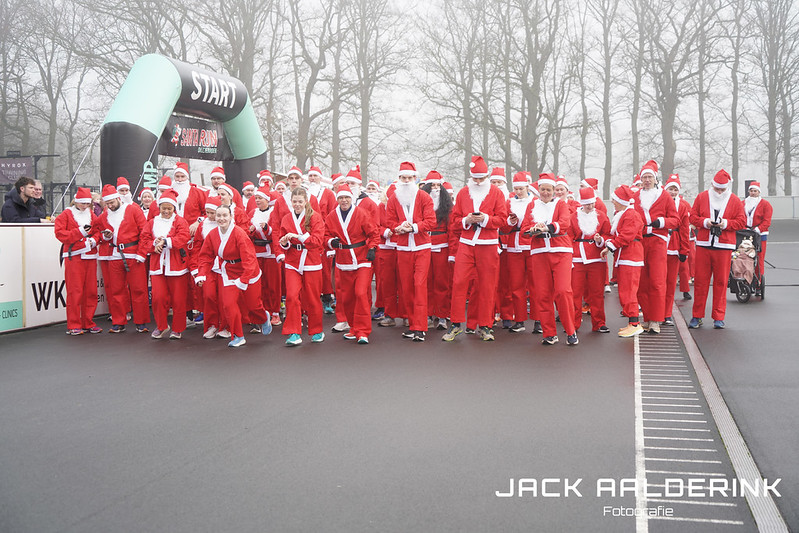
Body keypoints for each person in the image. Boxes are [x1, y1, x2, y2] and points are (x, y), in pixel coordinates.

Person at [443, 156, 508, 342]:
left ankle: (485, 326)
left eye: (481, 178)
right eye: (475, 178)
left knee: (487, 286)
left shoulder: (496, 193)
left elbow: (502, 220)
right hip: (466, 243)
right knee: (459, 282)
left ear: (487, 176)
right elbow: (454, 221)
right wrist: (467, 220)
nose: (478, 182)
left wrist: (485, 219)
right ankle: (455, 324)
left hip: (488, 245)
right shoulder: (464, 193)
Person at [196, 204, 271, 347]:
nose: (221, 218)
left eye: (225, 215)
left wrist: (244, 279)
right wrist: (201, 274)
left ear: (231, 217)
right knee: (228, 304)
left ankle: (263, 317)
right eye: (219, 215)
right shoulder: (212, 235)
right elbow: (205, 256)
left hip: (248, 272)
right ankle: (237, 335)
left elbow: (249, 259)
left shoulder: (239, 234)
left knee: (253, 306)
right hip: (228, 271)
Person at [521, 173, 578, 346]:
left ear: (554, 191)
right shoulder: (532, 205)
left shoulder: (560, 204)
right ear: (538, 190)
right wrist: (533, 229)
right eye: (543, 189)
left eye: (549, 189)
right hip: (539, 252)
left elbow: (565, 223)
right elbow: (524, 229)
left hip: (561, 251)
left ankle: (570, 330)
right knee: (542, 294)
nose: (545, 192)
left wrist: (547, 227)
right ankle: (549, 333)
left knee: (562, 291)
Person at [688, 169, 746, 329]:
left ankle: (718, 317)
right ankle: (697, 316)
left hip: (724, 246)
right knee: (700, 282)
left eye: (722, 189)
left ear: (727, 187)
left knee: (720, 282)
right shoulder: (702, 197)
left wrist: (725, 224)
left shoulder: (734, 200)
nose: (719, 192)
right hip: (704, 245)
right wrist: (706, 222)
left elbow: (741, 222)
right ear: (712, 185)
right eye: (717, 189)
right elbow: (692, 217)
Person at [386, 161, 436, 341]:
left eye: (410, 177)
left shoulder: (424, 197)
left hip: (422, 247)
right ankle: (412, 323)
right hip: (403, 248)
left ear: (415, 178)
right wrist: (398, 227)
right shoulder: (394, 198)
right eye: (403, 178)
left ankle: (420, 327)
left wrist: (413, 227)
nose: (406, 181)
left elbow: (431, 221)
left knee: (419, 285)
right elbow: (389, 220)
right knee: (406, 287)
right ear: (399, 179)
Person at [325, 184, 379, 344]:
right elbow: (325, 234)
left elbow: (374, 233)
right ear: (337, 199)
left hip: (362, 259)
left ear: (352, 198)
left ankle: (363, 331)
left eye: (347, 197)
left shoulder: (361, 213)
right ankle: (354, 327)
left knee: (361, 293)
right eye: (341, 198)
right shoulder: (331, 216)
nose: (344, 200)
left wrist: (372, 248)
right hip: (343, 260)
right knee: (346, 297)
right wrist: (330, 241)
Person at [93, 184, 150, 333]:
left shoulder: (133, 209)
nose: (110, 206)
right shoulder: (104, 215)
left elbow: (145, 232)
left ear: (118, 198)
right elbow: (95, 229)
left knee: (139, 289)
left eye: (112, 202)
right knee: (116, 290)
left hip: (134, 254)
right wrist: (104, 237)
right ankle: (118, 321)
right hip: (114, 255)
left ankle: (141, 322)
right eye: (107, 203)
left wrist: (141, 253)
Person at [632, 160, 678, 334]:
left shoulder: (664, 196)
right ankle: (647, 317)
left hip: (658, 240)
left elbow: (675, 220)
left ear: (655, 178)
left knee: (658, 280)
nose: (647, 180)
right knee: (642, 281)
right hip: (640, 241)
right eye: (644, 177)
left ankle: (656, 320)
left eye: (650, 177)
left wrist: (662, 222)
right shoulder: (635, 197)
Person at [140, 190, 190, 339]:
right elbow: (144, 240)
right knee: (158, 298)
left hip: (177, 266)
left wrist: (166, 242)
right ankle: (161, 325)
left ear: (174, 208)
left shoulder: (180, 221)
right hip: (157, 266)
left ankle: (177, 328)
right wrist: (153, 244)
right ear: (159, 207)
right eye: (164, 208)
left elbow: (184, 237)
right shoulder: (152, 222)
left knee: (178, 299)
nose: (167, 211)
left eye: (170, 208)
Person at [279, 187, 326, 346]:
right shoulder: (286, 218)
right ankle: (294, 332)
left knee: (312, 298)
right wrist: (284, 243)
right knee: (291, 296)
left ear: (306, 201)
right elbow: (282, 240)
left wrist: (298, 236)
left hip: (311, 261)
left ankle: (316, 330)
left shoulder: (315, 217)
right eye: (294, 201)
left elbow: (318, 241)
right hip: (292, 261)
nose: (297, 204)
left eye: (300, 201)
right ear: (290, 202)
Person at [54, 187, 101, 335]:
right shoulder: (66, 214)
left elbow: (98, 231)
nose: (85, 206)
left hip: (90, 256)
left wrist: (94, 240)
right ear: (76, 201)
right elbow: (60, 234)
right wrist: (79, 232)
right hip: (74, 256)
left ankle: (88, 322)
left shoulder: (91, 214)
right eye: (83, 203)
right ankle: (74, 324)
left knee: (91, 291)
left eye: (88, 204)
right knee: (75, 291)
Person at [601, 185, 645, 337]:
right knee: (626, 290)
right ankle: (631, 322)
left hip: (631, 256)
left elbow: (627, 234)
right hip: (626, 255)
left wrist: (611, 245)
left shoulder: (631, 215)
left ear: (621, 200)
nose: (613, 201)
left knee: (629, 291)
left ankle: (634, 323)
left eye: (615, 199)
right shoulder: (625, 214)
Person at [568, 187, 611, 333]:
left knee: (597, 292)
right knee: (575, 292)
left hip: (596, 258)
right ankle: (573, 323)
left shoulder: (602, 216)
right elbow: (568, 237)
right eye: (587, 204)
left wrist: (601, 240)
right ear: (582, 203)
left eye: (592, 203)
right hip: (577, 258)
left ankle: (599, 322)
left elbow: (608, 234)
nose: (590, 206)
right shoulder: (573, 217)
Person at [500, 172, 534, 332]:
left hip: (532, 246)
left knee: (535, 285)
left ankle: (539, 320)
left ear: (527, 187)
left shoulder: (535, 202)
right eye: (516, 189)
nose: (518, 192)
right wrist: (509, 222)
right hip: (514, 246)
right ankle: (519, 319)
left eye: (521, 188)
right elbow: (503, 228)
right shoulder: (509, 203)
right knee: (516, 285)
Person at [419, 171, 453, 331]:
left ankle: (442, 315)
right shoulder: (420, 203)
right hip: (424, 245)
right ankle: (426, 313)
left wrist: (452, 252)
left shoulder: (447, 207)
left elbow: (452, 230)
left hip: (442, 245)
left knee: (441, 281)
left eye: (438, 185)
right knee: (425, 281)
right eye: (432, 185)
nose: (435, 188)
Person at [249, 186, 284, 327]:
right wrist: (250, 231)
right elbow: (246, 229)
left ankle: (275, 312)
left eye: (260, 198)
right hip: (257, 251)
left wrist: (266, 228)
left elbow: (276, 231)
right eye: (256, 198)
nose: (257, 200)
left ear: (267, 200)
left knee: (273, 283)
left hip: (270, 251)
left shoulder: (273, 212)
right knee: (260, 283)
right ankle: (263, 311)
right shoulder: (252, 212)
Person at [662, 175, 691, 324]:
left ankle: (667, 313)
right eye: (670, 189)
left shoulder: (683, 206)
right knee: (657, 281)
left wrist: (684, 250)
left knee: (671, 282)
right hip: (659, 245)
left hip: (674, 246)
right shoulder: (659, 202)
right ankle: (656, 311)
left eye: (675, 189)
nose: (672, 192)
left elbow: (685, 230)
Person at [744, 181, 772, 282]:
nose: (753, 193)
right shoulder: (742, 203)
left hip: (760, 235)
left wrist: (758, 229)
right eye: (751, 191)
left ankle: (758, 281)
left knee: (759, 259)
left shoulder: (766, 204)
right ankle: (746, 279)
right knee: (745, 257)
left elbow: (767, 221)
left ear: (759, 192)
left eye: (755, 191)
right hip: (745, 234)